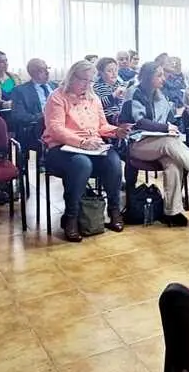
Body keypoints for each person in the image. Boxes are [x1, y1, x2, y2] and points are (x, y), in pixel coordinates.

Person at [41, 60, 130, 242]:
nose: (87, 85)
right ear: (72, 77)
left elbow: (101, 126)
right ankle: (71, 217)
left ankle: (114, 210)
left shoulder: (93, 97)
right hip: (61, 148)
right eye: (83, 80)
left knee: (112, 160)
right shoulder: (57, 97)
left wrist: (116, 131)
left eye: (90, 81)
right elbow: (55, 129)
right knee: (82, 164)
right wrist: (81, 142)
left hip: (91, 146)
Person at [121, 62, 189, 226]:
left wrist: (174, 129)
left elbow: (172, 119)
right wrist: (166, 128)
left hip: (161, 143)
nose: (163, 79)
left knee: (173, 163)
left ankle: (172, 212)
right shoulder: (133, 92)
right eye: (159, 75)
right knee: (168, 142)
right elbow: (140, 122)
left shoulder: (160, 95)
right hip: (138, 144)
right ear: (147, 77)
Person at [10, 58, 58, 152]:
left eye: (47, 68)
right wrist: (43, 116)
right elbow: (19, 116)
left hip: (60, 123)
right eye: (42, 70)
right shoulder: (20, 91)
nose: (47, 72)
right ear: (33, 73)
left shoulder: (56, 86)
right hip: (38, 127)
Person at [92, 56, 129, 124]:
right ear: (101, 73)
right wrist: (114, 95)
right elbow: (100, 104)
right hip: (108, 117)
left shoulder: (121, 84)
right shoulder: (97, 86)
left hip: (121, 114)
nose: (114, 73)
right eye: (109, 71)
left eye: (116, 70)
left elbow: (123, 103)